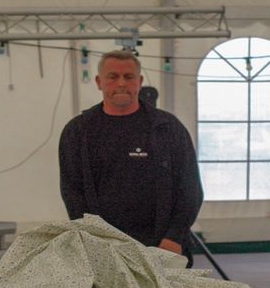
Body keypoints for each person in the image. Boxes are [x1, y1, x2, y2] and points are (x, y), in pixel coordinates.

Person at [58, 50, 203, 259]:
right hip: (103, 247)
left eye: (128, 77)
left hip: (162, 246)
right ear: (99, 82)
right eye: (113, 77)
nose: (121, 83)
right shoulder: (78, 131)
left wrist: (175, 237)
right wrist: (92, 238)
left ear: (139, 81)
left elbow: (190, 188)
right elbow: (72, 192)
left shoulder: (167, 128)